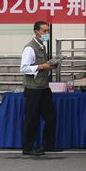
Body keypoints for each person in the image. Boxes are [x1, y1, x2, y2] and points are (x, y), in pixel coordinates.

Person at [19, 21, 58, 156]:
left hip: (43, 87)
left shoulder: (42, 47)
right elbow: (24, 68)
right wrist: (42, 66)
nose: (47, 33)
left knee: (50, 116)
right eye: (44, 31)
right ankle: (28, 147)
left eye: (48, 31)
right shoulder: (30, 48)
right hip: (33, 88)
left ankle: (48, 145)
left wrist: (50, 65)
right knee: (32, 118)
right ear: (36, 32)